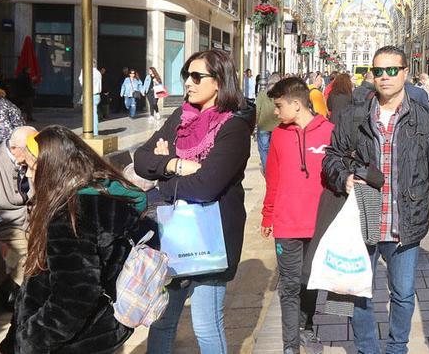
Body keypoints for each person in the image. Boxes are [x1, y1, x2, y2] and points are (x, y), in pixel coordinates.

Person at [322, 46, 429, 354]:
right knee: (360, 294)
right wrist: (344, 177)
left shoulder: (425, 120)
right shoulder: (355, 116)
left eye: (392, 70)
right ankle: (368, 349)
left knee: (404, 294)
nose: (384, 77)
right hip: (363, 222)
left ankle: (397, 348)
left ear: (406, 72)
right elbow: (332, 157)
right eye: (378, 71)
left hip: (405, 226)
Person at [135, 49, 254, 353]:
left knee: (204, 323)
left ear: (219, 82)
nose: (188, 82)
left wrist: (163, 179)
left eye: (197, 76)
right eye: (186, 75)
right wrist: (175, 165)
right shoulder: (181, 116)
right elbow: (141, 159)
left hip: (212, 235)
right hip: (172, 232)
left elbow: (207, 186)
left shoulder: (234, 126)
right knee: (161, 319)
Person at [0, 125, 155, 353]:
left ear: (53, 170)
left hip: (70, 342)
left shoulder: (70, 215)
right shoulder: (108, 195)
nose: (29, 175)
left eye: (32, 167)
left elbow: (73, 297)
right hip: (101, 330)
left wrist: (29, 340)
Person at [261, 77, 334, 354]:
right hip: (286, 223)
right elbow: (274, 180)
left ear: (296, 104)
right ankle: (289, 346)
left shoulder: (330, 131)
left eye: (279, 106)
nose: (276, 113)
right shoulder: (279, 134)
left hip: (319, 222)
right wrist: (268, 215)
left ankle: (306, 328)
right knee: (289, 286)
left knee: (310, 281)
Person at [0, 125, 37, 307]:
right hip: (5, 224)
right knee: (25, 259)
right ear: (15, 148)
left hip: (31, 220)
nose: (33, 153)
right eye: (29, 150)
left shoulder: (28, 161)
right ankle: (23, 297)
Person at [255, 72, 284, 172]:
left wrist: (255, 123)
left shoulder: (262, 94)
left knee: (264, 150)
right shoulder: (281, 95)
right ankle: (275, 169)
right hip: (278, 126)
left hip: (263, 126)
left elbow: (257, 110)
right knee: (276, 150)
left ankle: (268, 170)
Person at [79, 61, 103, 133]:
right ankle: (94, 131)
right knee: (94, 113)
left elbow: (81, 82)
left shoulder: (85, 71)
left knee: (89, 114)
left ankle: (90, 131)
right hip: (96, 95)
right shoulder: (98, 73)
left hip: (89, 95)